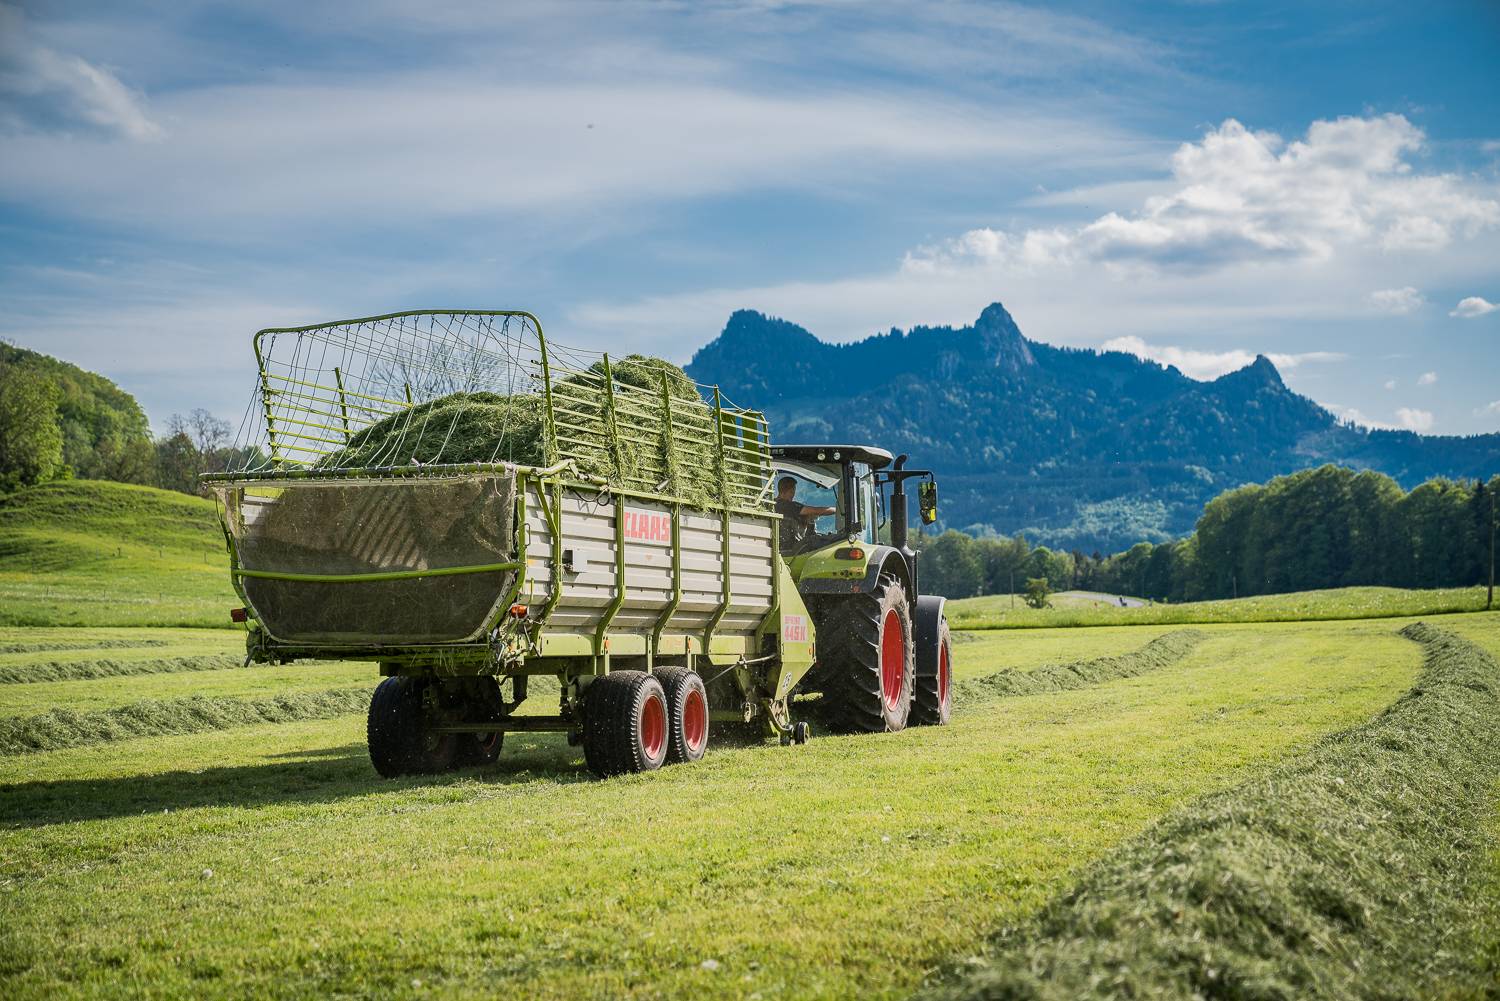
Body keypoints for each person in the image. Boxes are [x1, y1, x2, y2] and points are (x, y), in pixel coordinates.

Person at [775, 476, 835, 551]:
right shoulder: (788, 506)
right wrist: (837, 510)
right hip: (789, 548)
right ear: (784, 490)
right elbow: (816, 511)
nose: (793, 495)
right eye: (792, 492)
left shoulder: (774, 504)